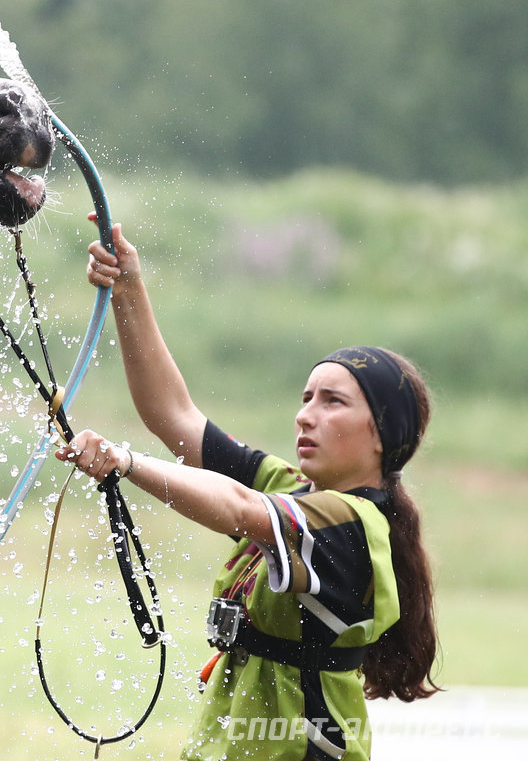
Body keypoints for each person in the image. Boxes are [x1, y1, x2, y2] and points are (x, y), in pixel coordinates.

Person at [55, 216, 439, 760]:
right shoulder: (292, 488)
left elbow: (238, 507)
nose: (306, 416)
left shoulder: (352, 524)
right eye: (307, 397)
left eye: (333, 402)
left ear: (382, 434)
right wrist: (129, 287)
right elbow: (174, 416)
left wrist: (125, 462)